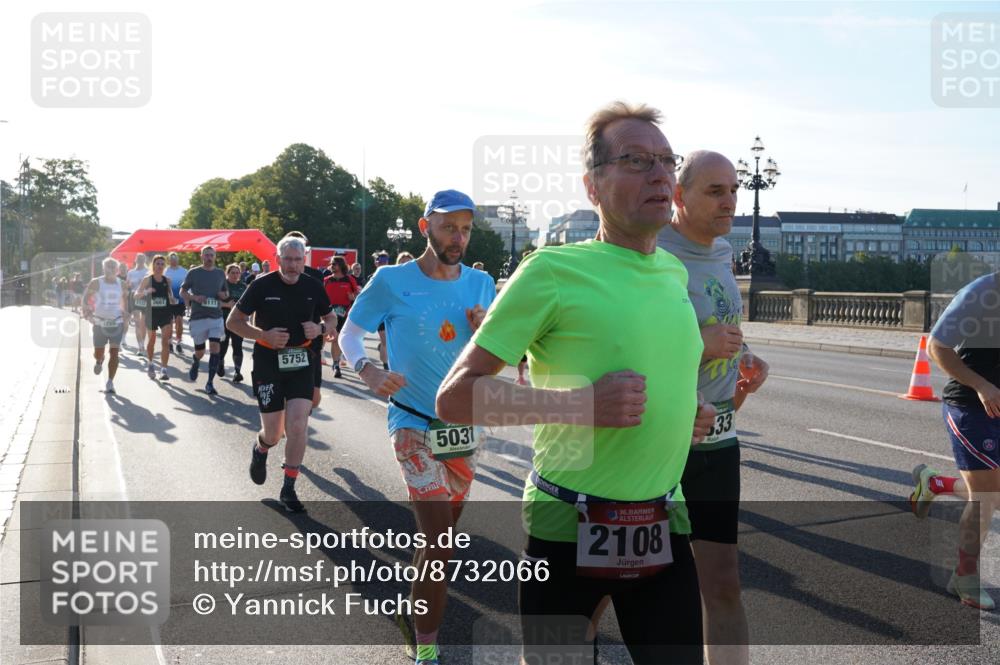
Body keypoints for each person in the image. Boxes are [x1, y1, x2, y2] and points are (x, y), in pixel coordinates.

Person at [436, 102, 717, 664]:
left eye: (666, 160)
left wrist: (684, 417)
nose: (659, 173)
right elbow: (455, 398)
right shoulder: (551, 271)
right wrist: (583, 404)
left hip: (665, 518)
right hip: (569, 524)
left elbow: (659, 375)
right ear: (592, 185)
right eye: (636, 160)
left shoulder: (673, 272)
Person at [340, 189, 496, 665]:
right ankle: (427, 649)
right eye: (450, 226)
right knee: (438, 539)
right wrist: (366, 369)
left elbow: (498, 355)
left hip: (463, 426)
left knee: (442, 543)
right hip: (410, 420)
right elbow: (349, 330)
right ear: (425, 226)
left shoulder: (481, 284)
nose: (459, 237)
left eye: (466, 228)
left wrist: (484, 328)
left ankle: (419, 617)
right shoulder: (391, 280)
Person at [659, 150, 770, 665]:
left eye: (733, 189)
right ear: (679, 197)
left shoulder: (724, 251)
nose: (730, 200)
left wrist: (744, 357)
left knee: (724, 583)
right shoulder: (653, 251)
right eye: (715, 191)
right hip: (660, 443)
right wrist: (697, 345)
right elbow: (620, 344)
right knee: (629, 587)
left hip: (719, 440)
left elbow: (722, 322)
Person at [908, 269, 1000, 610]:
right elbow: (937, 346)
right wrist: (981, 385)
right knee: (986, 496)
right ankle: (964, 577)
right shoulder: (980, 292)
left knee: (993, 494)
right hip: (971, 406)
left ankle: (935, 483)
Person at [227, 236, 337, 513]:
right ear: (277, 260)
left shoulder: (313, 285)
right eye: (287, 259)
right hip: (268, 361)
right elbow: (234, 322)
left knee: (298, 424)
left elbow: (331, 318)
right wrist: (262, 335)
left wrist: (320, 329)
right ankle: (262, 448)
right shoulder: (261, 285)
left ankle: (289, 488)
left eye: (297, 260)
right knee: (274, 433)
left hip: (302, 360)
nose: (292, 265)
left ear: (304, 261)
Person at [282, 231, 327, 408]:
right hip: (283, 342)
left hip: (311, 340)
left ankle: (295, 418)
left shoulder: (316, 276)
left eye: (302, 247)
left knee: (314, 399)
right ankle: (292, 419)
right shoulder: (278, 275)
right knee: (291, 393)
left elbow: (323, 306)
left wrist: (324, 327)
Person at [180, 246, 229, 395]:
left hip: (216, 316)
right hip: (198, 317)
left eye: (211, 255)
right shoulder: (194, 273)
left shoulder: (220, 273)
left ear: (215, 257)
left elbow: (226, 293)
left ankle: (210, 383)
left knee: (215, 347)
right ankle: (196, 361)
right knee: (200, 351)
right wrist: (194, 297)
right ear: (202, 256)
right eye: (206, 255)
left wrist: (223, 295)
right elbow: (183, 291)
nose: (209, 257)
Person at [82, 258, 129, 394]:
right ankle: (99, 360)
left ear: (117, 270)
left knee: (114, 352)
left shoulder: (122, 284)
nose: (110, 269)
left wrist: (125, 312)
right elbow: (85, 298)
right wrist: (87, 313)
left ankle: (110, 382)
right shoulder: (96, 282)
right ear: (104, 269)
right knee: (98, 353)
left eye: (113, 267)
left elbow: (124, 301)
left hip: (117, 322)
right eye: (108, 267)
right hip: (99, 322)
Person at [136, 255, 178, 381]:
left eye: (162, 264)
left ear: (164, 266)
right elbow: (136, 295)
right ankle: (150, 363)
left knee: (165, 341)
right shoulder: (147, 279)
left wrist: (173, 300)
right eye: (157, 264)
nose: (159, 266)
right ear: (153, 265)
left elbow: (170, 296)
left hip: (165, 313)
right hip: (151, 314)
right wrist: (146, 292)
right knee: (152, 340)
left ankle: (164, 370)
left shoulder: (167, 280)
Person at [323, 256, 360, 378]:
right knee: (328, 338)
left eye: (334, 264)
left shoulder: (349, 280)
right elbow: (320, 297)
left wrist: (353, 298)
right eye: (331, 264)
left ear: (341, 265)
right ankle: (329, 360)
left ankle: (336, 364)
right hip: (329, 314)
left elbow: (357, 296)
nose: (332, 265)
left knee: (337, 339)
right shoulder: (327, 280)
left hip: (345, 313)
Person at [219, 263, 248, 382]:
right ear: (227, 273)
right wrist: (226, 304)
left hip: (238, 321)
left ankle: (237, 372)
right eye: (233, 273)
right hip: (223, 319)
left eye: (237, 273)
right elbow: (214, 302)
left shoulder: (243, 286)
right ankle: (220, 364)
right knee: (223, 345)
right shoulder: (222, 285)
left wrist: (247, 315)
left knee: (238, 346)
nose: (235, 275)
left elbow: (248, 303)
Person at [165, 252, 189, 355]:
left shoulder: (184, 271)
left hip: (180, 300)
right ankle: (170, 342)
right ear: (169, 260)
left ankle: (178, 342)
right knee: (169, 323)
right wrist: (168, 296)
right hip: (168, 300)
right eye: (171, 259)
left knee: (179, 321)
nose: (173, 260)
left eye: (175, 258)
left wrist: (188, 299)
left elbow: (188, 286)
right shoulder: (165, 271)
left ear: (178, 259)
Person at [126, 255, 149, 355]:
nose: (140, 261)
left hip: (145, 296)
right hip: (134, 297)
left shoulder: (147, 271)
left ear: (144, 260)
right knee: (137, 323)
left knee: (143, 323)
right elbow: (127, 285)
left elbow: (152, 284)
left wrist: (145, 286)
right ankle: (140, 347)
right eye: (138, 259)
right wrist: (129, 285)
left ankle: (142, 343)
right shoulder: (131, 272)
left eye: (142, 259)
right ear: (135, 260)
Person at [373, 251, 392, 369]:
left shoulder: (393, 276)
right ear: (376, 263)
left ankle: (382, 347)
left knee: (389, 341)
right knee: (385, 341)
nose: (383, 264)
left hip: (392, 312)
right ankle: (386, 365)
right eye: (381, 262)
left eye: (385, 262)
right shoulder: (372, 278)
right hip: (380, 314)